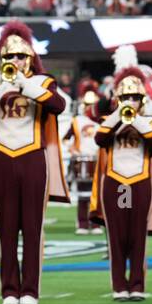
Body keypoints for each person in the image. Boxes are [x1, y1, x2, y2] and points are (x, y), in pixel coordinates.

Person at [0, 23, 70, 304]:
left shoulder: (43, 82)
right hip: (1, 157)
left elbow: (58, 105)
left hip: (33, 157)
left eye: (21, 57)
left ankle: (30, 291)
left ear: (31, 58)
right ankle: (9, 289)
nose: (16, 62)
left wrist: (25, 84)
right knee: (6, 227)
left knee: (33, 228)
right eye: (10, 57)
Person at [90, 44, 152, 301]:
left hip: (140, 182)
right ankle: (118, 286)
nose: (130, 102)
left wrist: (133, 117)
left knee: (137, 237)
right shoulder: (109, 121)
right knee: (116, 237)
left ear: (143, 99)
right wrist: (118, 114)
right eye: (125, 98)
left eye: (134, 97)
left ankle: (137, 285)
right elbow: (100, 139)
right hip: (114, 183)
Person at [63, 79, 103, 234]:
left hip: (98, 160)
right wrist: (73, 149)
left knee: (97, 195)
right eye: (87, 105)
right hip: (82, 160)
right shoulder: (77, 121)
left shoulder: (102, 120)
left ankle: (96, 224)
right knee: (82, 195)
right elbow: (66, 139)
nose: (89, 108)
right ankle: (82, 223)